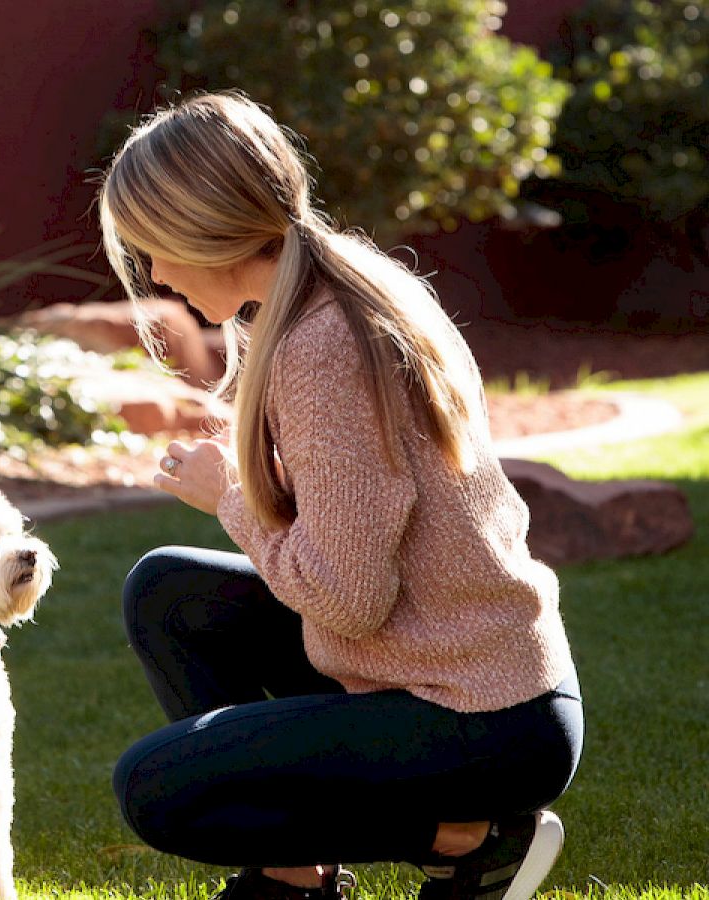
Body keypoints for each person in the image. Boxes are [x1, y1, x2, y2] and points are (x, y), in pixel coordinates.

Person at [96, 91, 584, 900]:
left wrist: (231, 499)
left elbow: (349, 598)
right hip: (467, 671)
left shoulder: (323, 344)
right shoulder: (331, 288)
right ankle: (296, 874)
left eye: (154, 247)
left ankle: (470, 837)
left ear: (204, 229)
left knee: (159, 788)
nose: (155, 275)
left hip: (481, 715)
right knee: (169, 590)